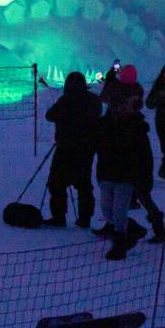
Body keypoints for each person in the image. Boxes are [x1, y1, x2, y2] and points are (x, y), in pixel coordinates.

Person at [95, 82, 150, 260]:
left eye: (122, 106)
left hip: (126, 176)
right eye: (115, 106)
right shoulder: (103, 125)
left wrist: (144, 178)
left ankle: (119, 246)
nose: (119, 109)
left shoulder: (136, 126)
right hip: (106, 173)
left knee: (119, 212)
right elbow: (96, 146)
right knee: (107, 210)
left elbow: (144, 155)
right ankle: (132, 228)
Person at [43, 72, 101, 228]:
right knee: (83, 185)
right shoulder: (94, 101)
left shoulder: (65, 101)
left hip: (65, 148)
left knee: (57, 183)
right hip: (86, 149)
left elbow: (50, 115)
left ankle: (59, 216)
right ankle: (85, 218)